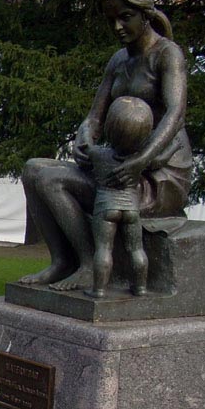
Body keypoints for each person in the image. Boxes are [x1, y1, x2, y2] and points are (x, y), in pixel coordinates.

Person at [19, 0, 191, 291]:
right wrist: (84, 137)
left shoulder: (167, 54)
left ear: (146, 13)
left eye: (125, 18)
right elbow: (95, 116)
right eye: (112, 20)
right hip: (119, 163)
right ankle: (62, 261)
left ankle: (88, 265)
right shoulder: (119, 60)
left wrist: (142, 160)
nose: (118, 28)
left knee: (50, 179)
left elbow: (175, 114)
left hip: (159, 175)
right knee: (33, 170)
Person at [86, 96, 154, 298]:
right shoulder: (139, 160)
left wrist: (85, 130)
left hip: (106, 207)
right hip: (131, 208)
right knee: (136, 249)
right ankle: (140, 287)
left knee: (104, 249)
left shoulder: (99, 154)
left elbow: (86, 146)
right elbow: (159, 158)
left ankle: (99, 289)